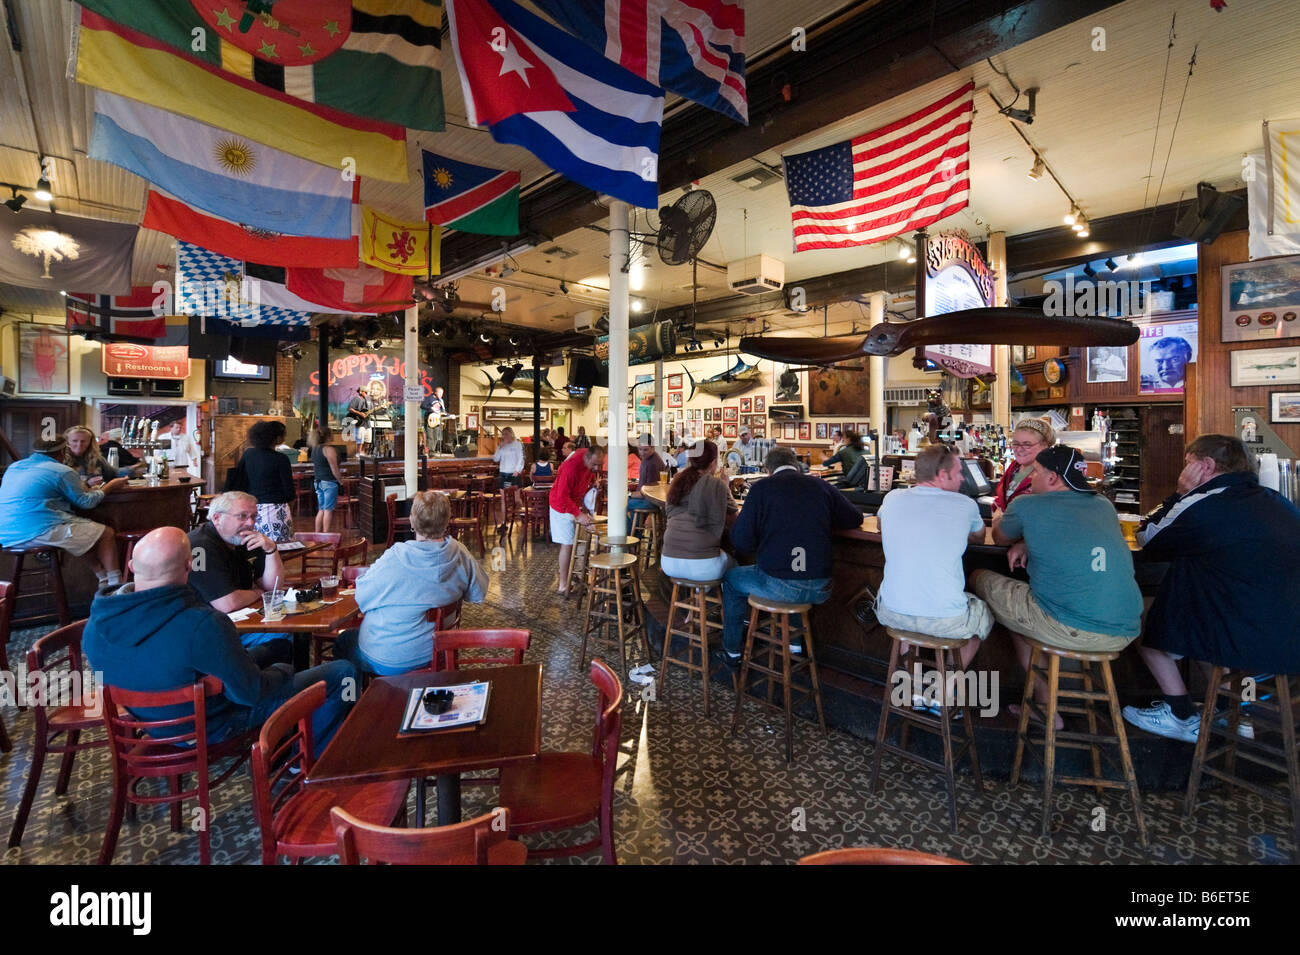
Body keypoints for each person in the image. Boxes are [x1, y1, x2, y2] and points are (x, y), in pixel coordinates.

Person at [82, 527, 353, 754]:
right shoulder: (202, 623)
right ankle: (302, 760)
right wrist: (283, 670)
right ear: (189, 566)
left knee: (278, 646)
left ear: (131, 566)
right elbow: (250, 694)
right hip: (212, 726)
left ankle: (283, 734)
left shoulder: (95, 625)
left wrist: (266, 655)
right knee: (343, 672)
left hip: (149, 725)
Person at [1122, 435, 1300, 741]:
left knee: (1138, 622)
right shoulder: (1276, 500)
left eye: (1188, 463)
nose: (1184, 470)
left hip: (1235, 634)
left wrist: (1179, 493)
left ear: (1205, 466)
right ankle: (1234, 711)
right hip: (1285, 636)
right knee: (1203, 626)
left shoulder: (1202, 500)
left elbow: (1148, 539)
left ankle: (1179, 714)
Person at [976, 445, 1143, 728]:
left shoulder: (1027, 505)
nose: (1031, 480)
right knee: (1022, 616)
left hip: (1072, 628)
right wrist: (1029, 541)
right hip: (1126, 630)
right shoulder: (1103, 505)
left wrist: (1000, 519)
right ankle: (1044, 702)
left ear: (1053, 478)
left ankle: (1042, 705)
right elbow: (1073, 534)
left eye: (1037, 473)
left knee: (978, 576)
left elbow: (1000, 536)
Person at [720, 448, 863, 665]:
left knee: (731, 580)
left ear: (768, 470)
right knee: (795, 572)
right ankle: (794, 644)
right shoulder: (820, 485)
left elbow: (741, 542)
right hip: (821, 587)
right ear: (796, 466)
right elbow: (855, 518)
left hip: (779, 586)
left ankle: (732, 652)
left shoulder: (761, 489)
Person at [335, 491, 488, 675]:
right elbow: (478, 593)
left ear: (412, 521)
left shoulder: (395, 557)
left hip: (389, 658)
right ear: (447, 520)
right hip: (438, 652)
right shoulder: (460, 552)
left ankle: (355, 699)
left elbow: (362, 597)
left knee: (344, 641)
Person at [875, 445, 992, 668]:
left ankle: (915, 687)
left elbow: (881, 525)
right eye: (958, 473)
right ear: (942, 475)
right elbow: (978, 538)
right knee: (982, 618)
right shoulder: (966, 505)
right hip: (945, 621)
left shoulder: (892, 498)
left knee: (907, 623)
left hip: (891, 613)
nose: (961, 480)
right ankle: (944, 689)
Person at [0, 437, 128, 591]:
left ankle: (103, 579)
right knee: (106, 533)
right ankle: (116, 585)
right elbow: (86, 503)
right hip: (36, 531)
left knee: (79, 537)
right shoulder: (61, 470)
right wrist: (110, 486)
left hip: (8, 535)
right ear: (62, 452)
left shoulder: (15, 467)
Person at [187, 490, 292, 664]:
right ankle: (276, 686)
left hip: (239, 621)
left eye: (253, 516)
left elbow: (273, 588)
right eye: (242, 516)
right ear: (217, 518)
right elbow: (227, 603)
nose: (250, 523)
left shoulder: (243, 539)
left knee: (289, 629)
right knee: (283, 634)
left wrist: (271, 549)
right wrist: (258, 593)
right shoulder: (200, 547)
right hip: (207, 633)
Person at [662, 439, 735, 583]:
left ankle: (697, 594)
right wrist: (726, 487)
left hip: (668, 562)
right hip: (703, 567)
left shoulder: (677, 480)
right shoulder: (717, 485)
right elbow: (735, 521)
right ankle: (709, 598)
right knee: (736, 567)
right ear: (714, 462)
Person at [550, 444, 606, 596]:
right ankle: (562, 585)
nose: (596, 468)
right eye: (594, 465)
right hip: (560, 505)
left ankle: (568, 574)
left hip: (573, 502)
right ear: (587, 458)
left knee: (573, 542)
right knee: (567, 544)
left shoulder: (587, 455)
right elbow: (562, 496)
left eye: (599, 465)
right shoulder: (571, 468)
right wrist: (578, 514)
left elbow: (590, 472)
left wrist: (593, 480)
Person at [227, 420, 295, 542]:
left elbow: (240, 480)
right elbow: (289, 491)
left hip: (250, 509)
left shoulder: (248, 454)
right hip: (275, 510)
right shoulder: (281, 459)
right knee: (277, 550)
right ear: (276, 438)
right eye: (283, 435)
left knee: (252, 547)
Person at [991, 418, 1054, 536]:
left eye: (1027, 444)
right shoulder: (1014, 467)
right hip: (1005, 534)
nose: (1019, 449)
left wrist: (1024, 544)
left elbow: (1054, 516)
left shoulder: (1050, 475)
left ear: (1045, 445)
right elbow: (1002, 498)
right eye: (1015, 443)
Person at [65, 425, 140, 484]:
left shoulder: (97, 459)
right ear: (67, 442)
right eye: (74, 441)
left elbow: (113, 473)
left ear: (90, 443)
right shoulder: (61, 460)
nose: (79, 444)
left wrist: (133, 469)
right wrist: (87, 484)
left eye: (83, 441)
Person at [308, 427, 344, 533]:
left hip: (318, 482)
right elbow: (334, 468)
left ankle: (317, 534)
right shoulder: (328, 449)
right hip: (329, 482)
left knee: (321, 509)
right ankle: (326, 536)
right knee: (328, 510)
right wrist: (341, 481)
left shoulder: (315, 449)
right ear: (328, 436)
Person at [493, 427, 525, 531]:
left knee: (516, 498)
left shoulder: (517, 444)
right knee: (504, 498)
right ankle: (503, 523)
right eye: (503, 434)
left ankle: (523, 513)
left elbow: (521, 458)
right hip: (504, 474)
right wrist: (499, 447)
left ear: (511, 434)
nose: (504, 436)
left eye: (506, 434)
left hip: (514, 474)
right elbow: (496, 459)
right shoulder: (502, 446)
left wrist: (518, 470)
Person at [628, 434, 664, 511]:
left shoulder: (652, 464)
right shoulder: (648, 458)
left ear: (653, 448)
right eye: (640, 449)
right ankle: (633, 523)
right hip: (647, 499)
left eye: (645, 450)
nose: (642, 453)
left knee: (619, 503)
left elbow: (648, 493)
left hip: (650, 501)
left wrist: (630, 494)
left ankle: (633, 523)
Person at [424, 385, 448, 452]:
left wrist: (449, 415)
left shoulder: (441, 401)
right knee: (430, 437)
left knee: (435, 437)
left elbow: (443, 411)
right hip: (430, 421)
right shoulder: (430, 398)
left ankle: (433, 451)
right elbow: (422, 405)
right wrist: (431, 408)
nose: (441, 395)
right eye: (439, 393)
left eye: (442, 393)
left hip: (437, 421)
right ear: (435, 392)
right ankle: (430, 451)